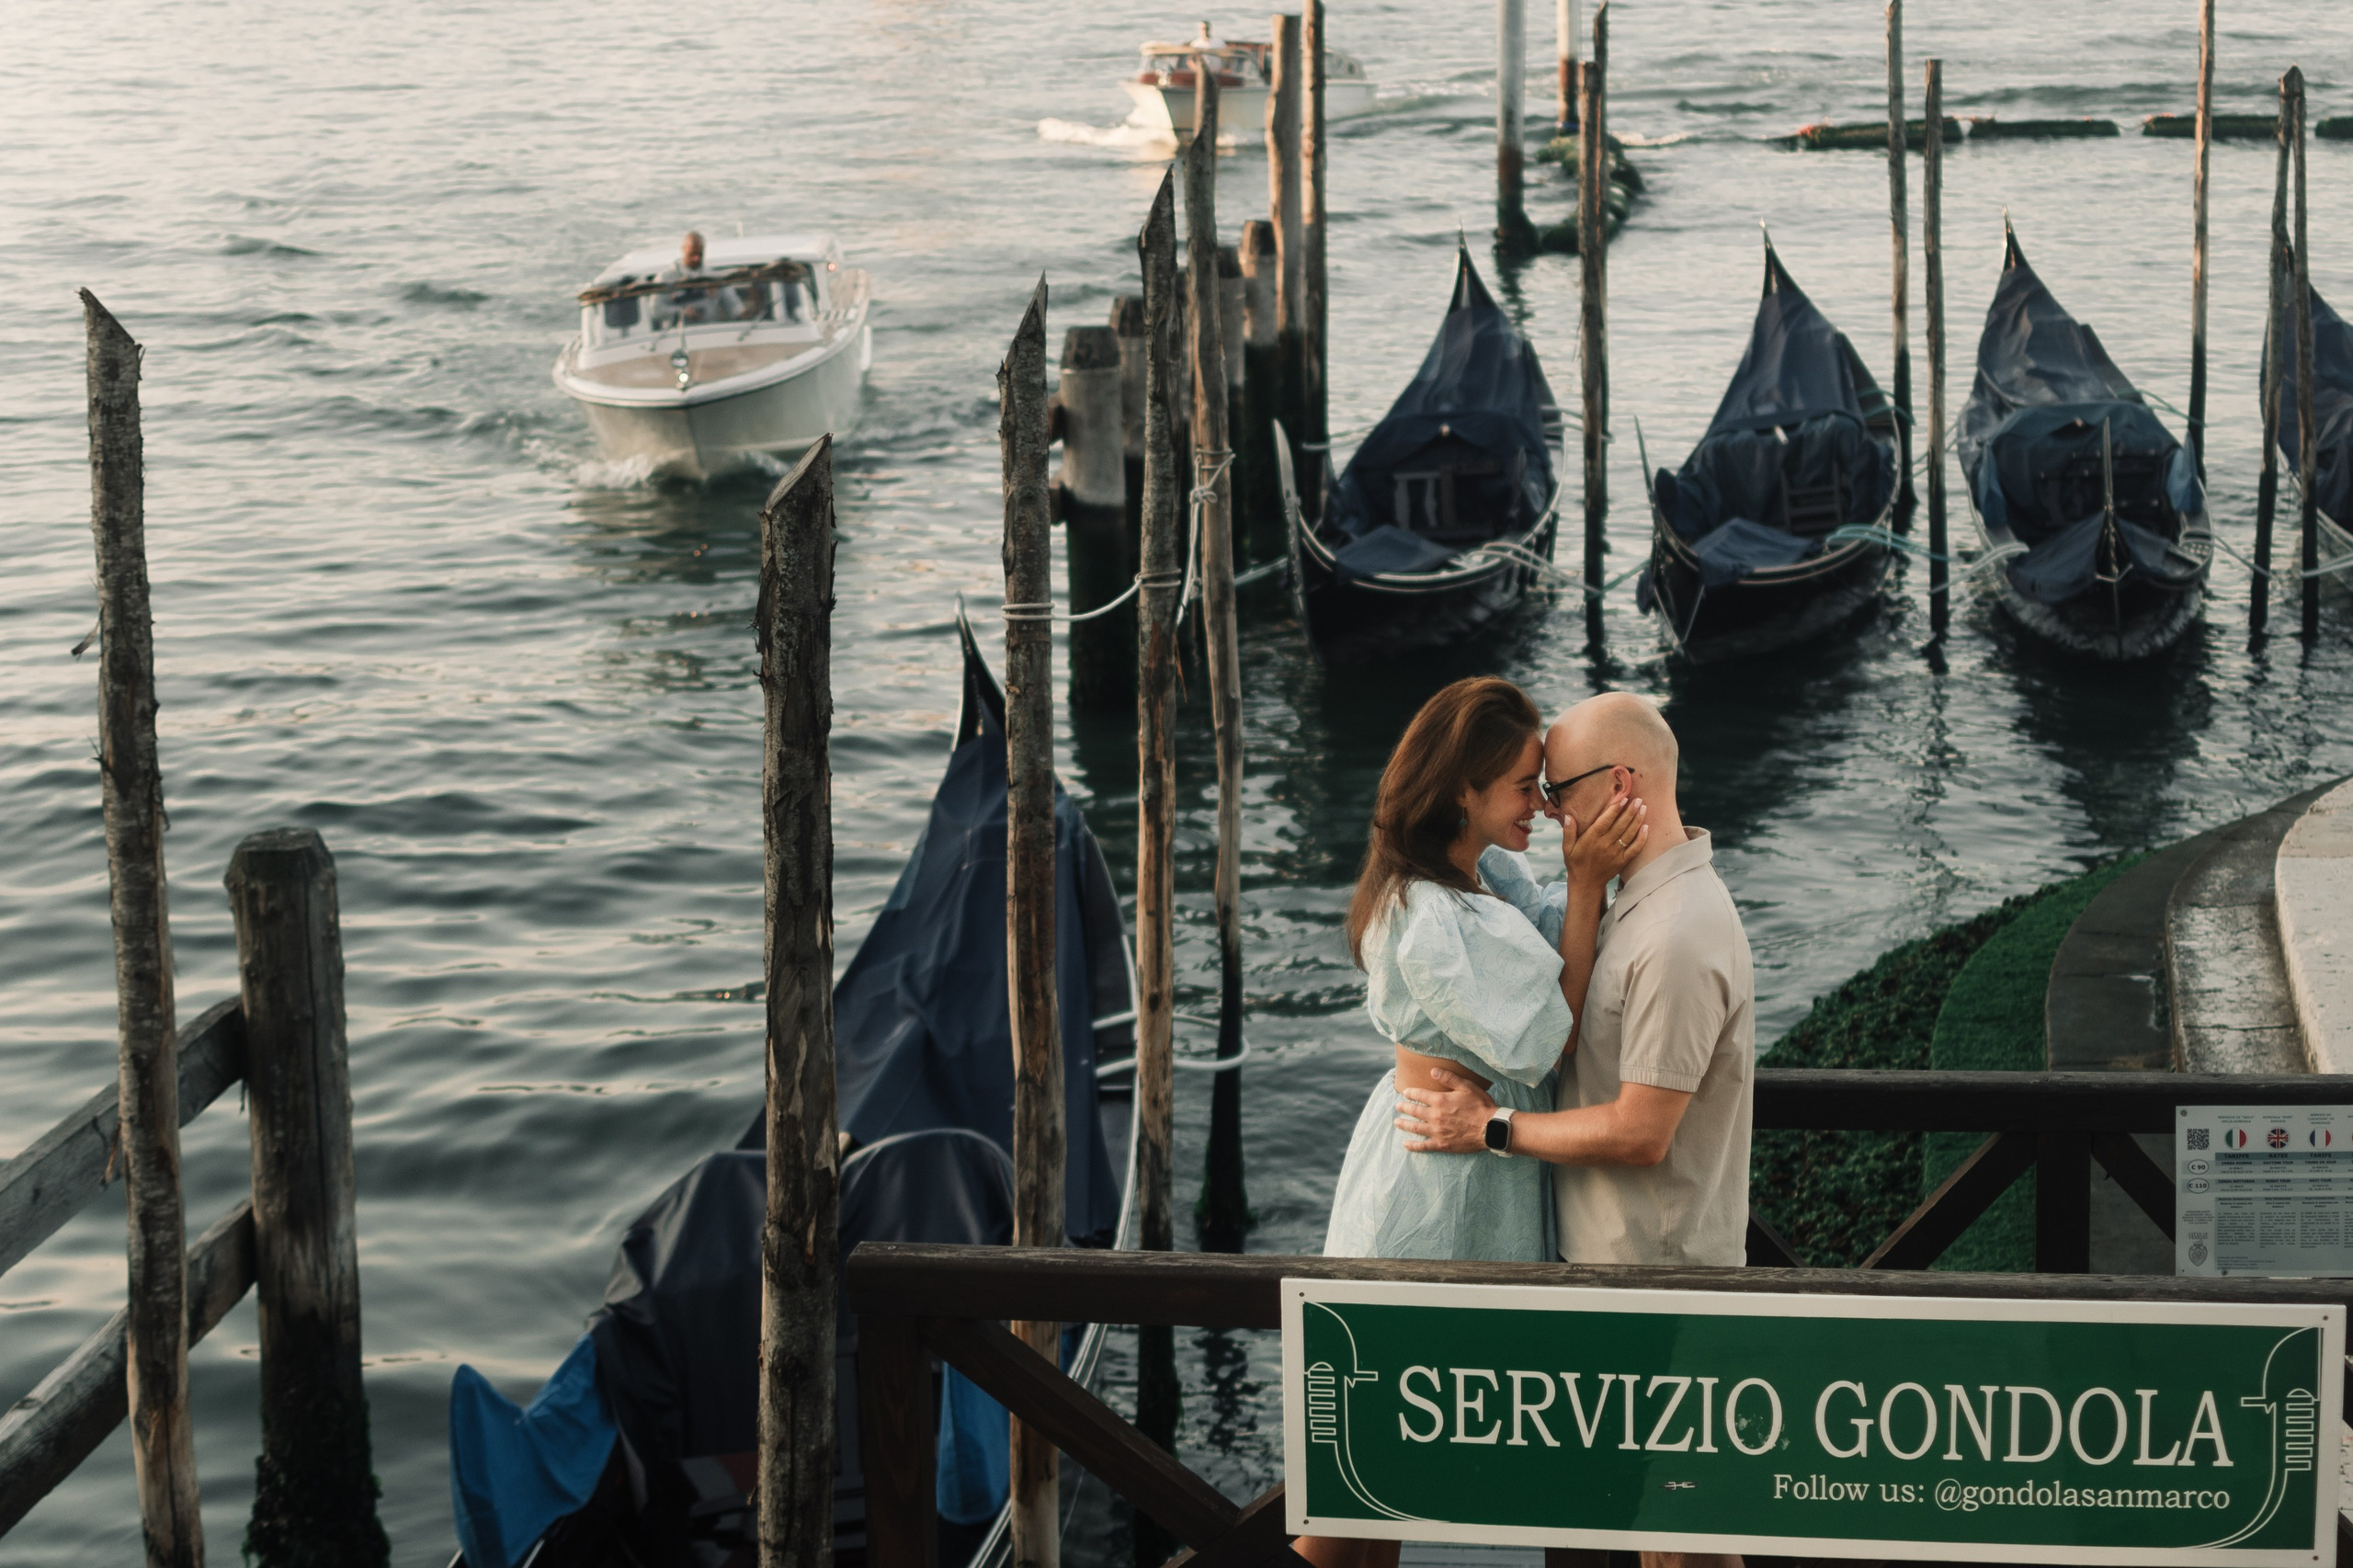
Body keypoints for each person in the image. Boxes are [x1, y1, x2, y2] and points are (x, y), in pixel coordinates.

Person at [1394, 689, 1754, 1568]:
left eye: (1558, 788)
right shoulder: (1638, 901)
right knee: (1662, 1538)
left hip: (1656, 1279)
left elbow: (1641, 1132)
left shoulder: (1673, 934)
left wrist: (1490, 1129)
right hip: (1617, 1269)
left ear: (1623, 782)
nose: (1550, 809)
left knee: (1684, 1543)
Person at [1298, 677, 1645, 1568]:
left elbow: (1579, 952)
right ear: (1461, 788)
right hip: (1436, 1175)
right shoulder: (1423, 912)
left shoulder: (1484, 869)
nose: (1543, 803)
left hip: (1477, 1156)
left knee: (1423, 1472)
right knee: (1363, 1487)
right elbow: (1548, 1037)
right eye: (1527, 786)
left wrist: (1586, 874)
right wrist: (1584, 880)